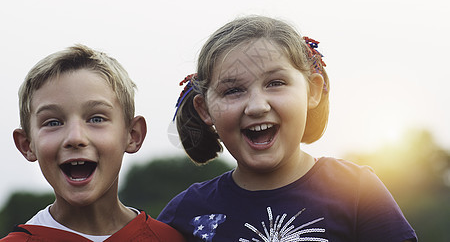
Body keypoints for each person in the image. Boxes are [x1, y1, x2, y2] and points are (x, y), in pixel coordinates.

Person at [157, 16, 418, 242]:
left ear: (312, 91)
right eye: (233, 90)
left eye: (276, 82)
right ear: (205, 110)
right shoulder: (185, 213)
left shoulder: (358, 191)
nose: (257, 106)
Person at [2, 45, 185, 241]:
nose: (75, 138)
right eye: (53, 123)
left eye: (96, 119)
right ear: (27, 145)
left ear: (133, 134)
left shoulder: (170, 238)